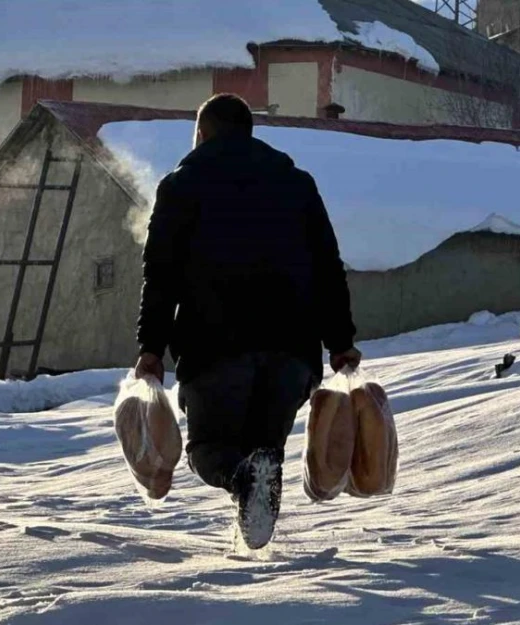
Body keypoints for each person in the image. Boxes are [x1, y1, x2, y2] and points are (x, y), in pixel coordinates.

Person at [133, 94, 361, 549]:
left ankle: (244, 517)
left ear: (202, 133)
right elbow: (327, 267)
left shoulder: (183, 184)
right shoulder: (298, 183)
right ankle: (251, 558)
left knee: (208, 451)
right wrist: (340, 341)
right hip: (291, 352)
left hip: (216, 348)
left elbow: (161, 276)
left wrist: (151, 349)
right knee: (265, 456)